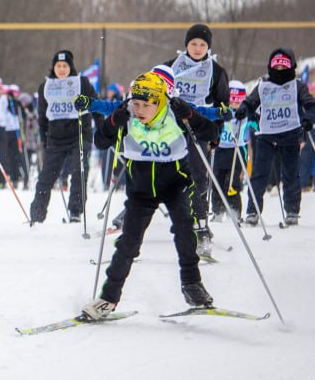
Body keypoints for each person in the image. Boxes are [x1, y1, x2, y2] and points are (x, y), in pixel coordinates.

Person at [82, 71, 217, 320]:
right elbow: (100, 142)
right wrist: (113, 121)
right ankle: (108, 298)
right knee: (128, 244)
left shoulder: (175, 112)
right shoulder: (127, 113)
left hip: (175, 183)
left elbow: (210, 133)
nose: (141, 110)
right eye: (136, 104)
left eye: (147, 105)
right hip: (141, 190)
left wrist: (190, 115)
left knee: (185, 232)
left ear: (160, 101)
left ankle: (192, 286)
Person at [162, 23, 231, 256]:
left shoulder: (216, 71)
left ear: (208, 47)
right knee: (162, 175)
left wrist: (216, 133)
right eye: (193, 44)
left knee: (198, 177)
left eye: (202, 44)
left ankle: (201, 226)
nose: (198, 48)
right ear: (186, 45)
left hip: (199, 128)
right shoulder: (171, 66)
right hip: (171, 128)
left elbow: (222, 104)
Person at [238, 48, 315, 226]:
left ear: (291, 68)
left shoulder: (297, 86)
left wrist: (308, 120)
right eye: (277, 68)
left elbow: (314, 107)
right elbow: (250, 102)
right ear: (270, 68)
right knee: (259, 175)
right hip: (266, 136)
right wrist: (243, 110)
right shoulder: (263, 85)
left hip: (290, 135)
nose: (280, 72)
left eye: (284, 68)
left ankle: (292, 211)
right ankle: (252, 211)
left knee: (291, 175)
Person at [29, 49, 97, 224]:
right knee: (46, 177)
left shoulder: (81, 83)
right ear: (53, 67)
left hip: (78, 136)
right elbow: (42, 114)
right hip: (56, 139)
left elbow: (95, 105)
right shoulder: (45, 86)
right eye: (58, 66)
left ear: (70, 67)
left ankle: (75, 210)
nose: (61, 69)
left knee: (78, 172)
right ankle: (37, 215)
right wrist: (44, 138)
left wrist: (98, 128)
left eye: (65, 65)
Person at [211, 81, 251, 220]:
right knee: (217, 182)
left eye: (238, 102)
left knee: (232, 183)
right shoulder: (222, 111)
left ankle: (234, 212)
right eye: (231, 101)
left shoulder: (243, 114)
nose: (234, 105)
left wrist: (242, 114)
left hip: (236, 151)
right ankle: (217, 211)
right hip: (220, 151)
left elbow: (247, 119)